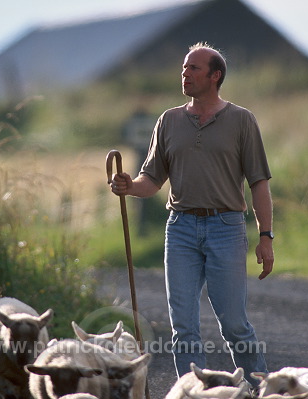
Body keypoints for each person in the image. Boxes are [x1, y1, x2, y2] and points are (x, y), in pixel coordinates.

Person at [109, 42, 273, 387]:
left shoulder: (242, 120)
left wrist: (265, 236)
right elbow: (151, 180)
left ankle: (262, 390)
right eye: (184, 68)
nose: (185, 73)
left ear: (215, 76)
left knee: (234, 324)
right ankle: (194, 392)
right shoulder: (168, 120)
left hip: (226, 227)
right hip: (180, 227)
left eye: (194, 68)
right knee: (183, 325)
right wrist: (128, 186)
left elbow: (259, 182)